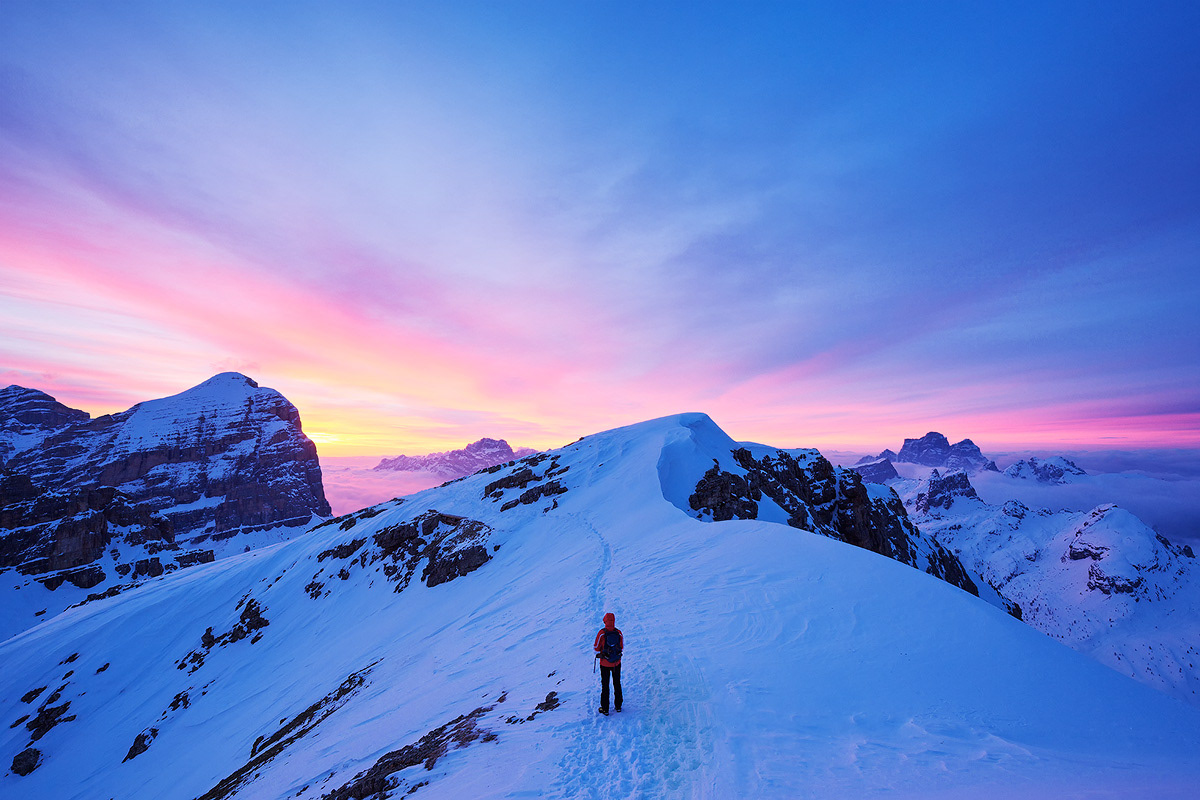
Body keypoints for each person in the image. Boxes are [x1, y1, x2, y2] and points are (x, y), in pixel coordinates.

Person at [593, 611, 623, 715]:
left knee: (605, 685)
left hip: (605, 664)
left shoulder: (602, 633)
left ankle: (605, 708)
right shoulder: (618, 632)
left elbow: (596, 647)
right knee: (617, 683)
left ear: (605, 621)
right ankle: (618, 706)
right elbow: (621, 647)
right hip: (616, 663)